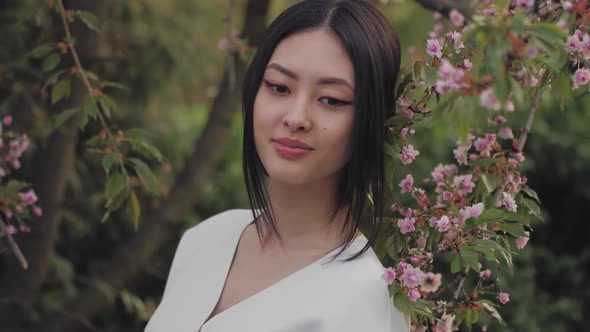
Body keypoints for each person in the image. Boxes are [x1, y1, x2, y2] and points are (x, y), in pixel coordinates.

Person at [145, 0, 409, 331]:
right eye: (279, 87)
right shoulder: (206, 239)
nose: (296, 118)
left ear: (373, 118)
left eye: (332, 100)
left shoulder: (367, 301)